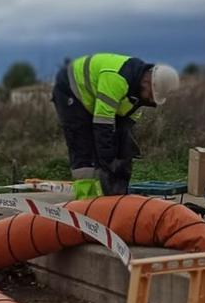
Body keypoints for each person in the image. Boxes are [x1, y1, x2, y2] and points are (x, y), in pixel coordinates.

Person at [52, 54, 180, 198]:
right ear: (147, 82)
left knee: (119, 148)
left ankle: (113, 198)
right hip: (71, 89)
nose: (151, 100)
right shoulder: (117, 79)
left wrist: (122, 162)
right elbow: (103, 126)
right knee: (83, 145)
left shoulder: (138, 93)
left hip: (94, 98)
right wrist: (108, 164)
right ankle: (85, 200)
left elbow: (124, 129)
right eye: (151, 95)